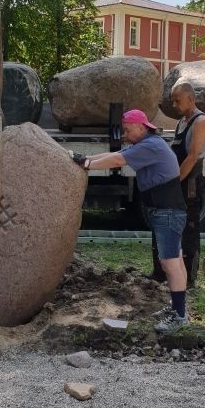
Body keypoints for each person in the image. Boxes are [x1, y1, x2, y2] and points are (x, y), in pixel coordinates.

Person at [72, 108, 189, 333]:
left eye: (127, 130)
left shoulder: (151, 146)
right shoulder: (146, 144)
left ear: (141, 127)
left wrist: (86, 164)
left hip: (167, 212)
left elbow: (117, 160)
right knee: (176, 261)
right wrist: (84, 159)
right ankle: (177, 309)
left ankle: (180, 315)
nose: (124, 134)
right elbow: (116, 155)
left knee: (170, 263)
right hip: (165, 210)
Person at [152, 82, 205, 287]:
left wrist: (174, 182)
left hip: (189, 185)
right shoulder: (182, 122)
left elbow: (192, 157)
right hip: (175, 181)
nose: (174, 104)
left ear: (191, 98)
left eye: (178, 100)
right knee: (162, 223)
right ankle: (161, 273)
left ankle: (188, 278)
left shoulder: (201, 121)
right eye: (172, 100)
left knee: (188, 230)